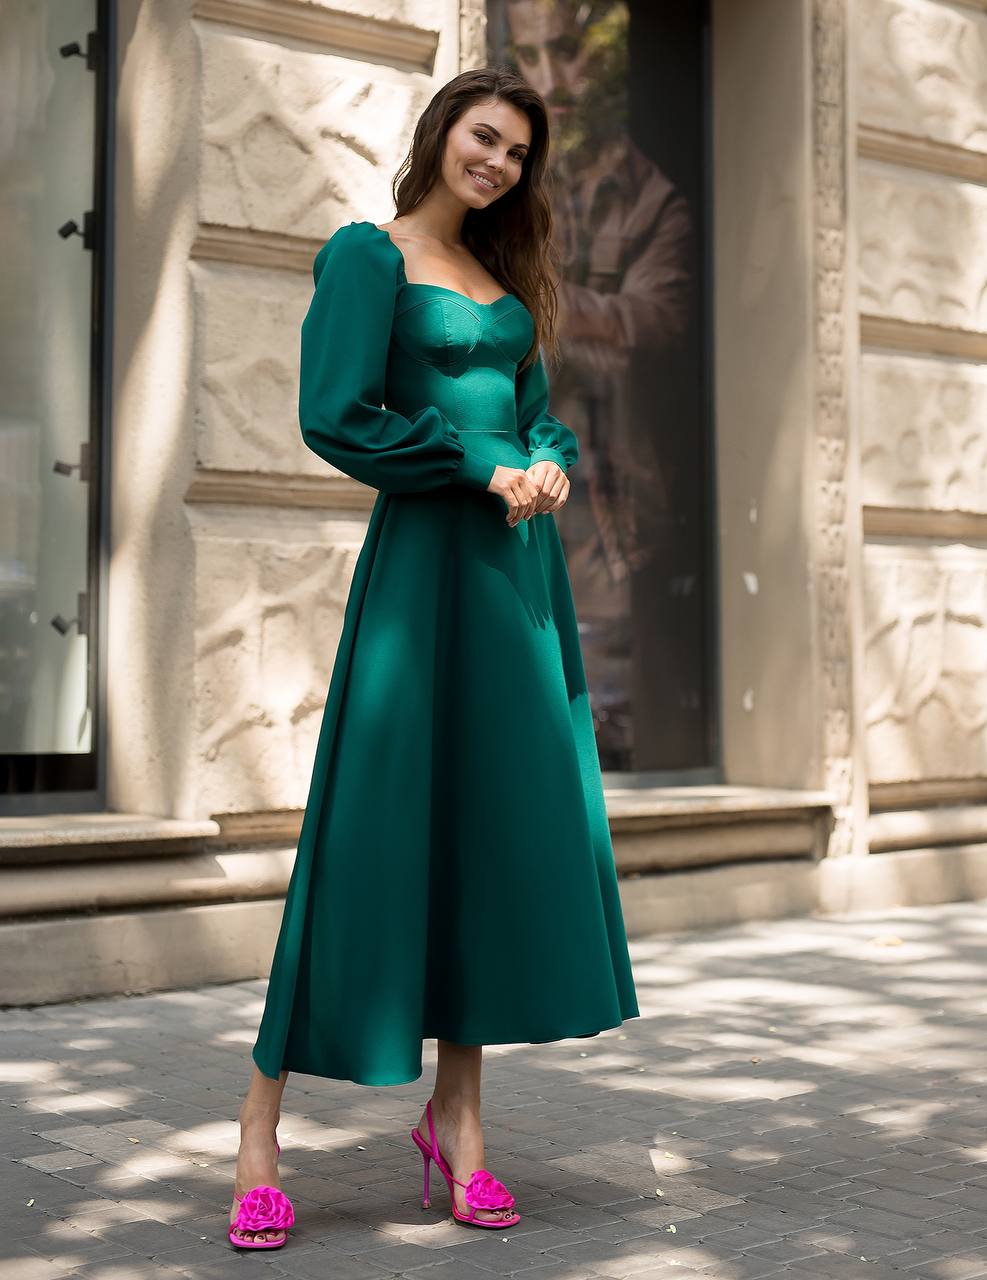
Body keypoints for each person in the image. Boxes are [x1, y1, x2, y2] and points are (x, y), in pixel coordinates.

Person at [227, 64, 640, 1250]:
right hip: (422, 576)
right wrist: (479, 467)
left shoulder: (505, 279)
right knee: (363, 840)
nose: (498, 161)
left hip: (516, 588)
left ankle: (457, 1126)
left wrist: (548, 460)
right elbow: (335, 411)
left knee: (483, 845)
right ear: (443, 132)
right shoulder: (367, 255)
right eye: (484, 136)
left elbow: (535, 407)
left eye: (516, 151)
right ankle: (259, 1131)